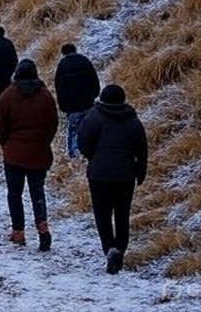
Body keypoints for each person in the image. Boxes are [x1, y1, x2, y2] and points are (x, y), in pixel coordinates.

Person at [77, 83, 148, 274]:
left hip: (99, 175)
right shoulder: (132, 120)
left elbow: (83, 142)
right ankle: (121, 248)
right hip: (125, 175)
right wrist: (141, 172)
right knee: (122, 214)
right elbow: (142, 149)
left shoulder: (94, 116)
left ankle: (109, 248)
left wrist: (93, 157)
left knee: (103, 215)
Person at [0, 58, 58, 251]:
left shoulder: (8, 95)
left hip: (14, 154)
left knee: (15, 194)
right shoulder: (45, 96)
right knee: (37, 192)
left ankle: (18, 232)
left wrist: (6, 143)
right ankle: (42, 226)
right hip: (38, 153)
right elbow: (52, 124)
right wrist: (43, 142)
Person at [54, 43, 100, 158]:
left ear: (63, 53)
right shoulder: (85, 61)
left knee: (73, 130)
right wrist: (93, 96)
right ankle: (89, 152)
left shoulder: (62, 65)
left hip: (72, 106)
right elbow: (94, 80)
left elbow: (59, 87)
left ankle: (74, 156)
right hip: (87, 103)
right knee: (88, 130)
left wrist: (63, 106)